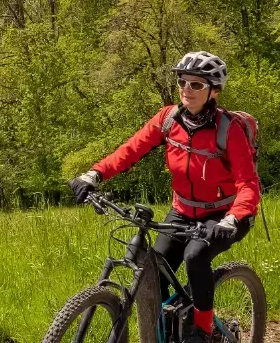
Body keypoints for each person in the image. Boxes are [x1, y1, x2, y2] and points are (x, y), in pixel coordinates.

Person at [68, 51, 260, 343]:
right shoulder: (168, 119)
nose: (187, 89)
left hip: (224, 215)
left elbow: (248, 183)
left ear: (213, 91)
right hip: (183, 211)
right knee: (152, 270)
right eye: (183, 82)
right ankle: (167, 330)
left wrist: (232, 219)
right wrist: (94, 174)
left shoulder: (228, 129)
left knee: (195, 256)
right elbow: (130, 150)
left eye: (196, 84)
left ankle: (203, 331)